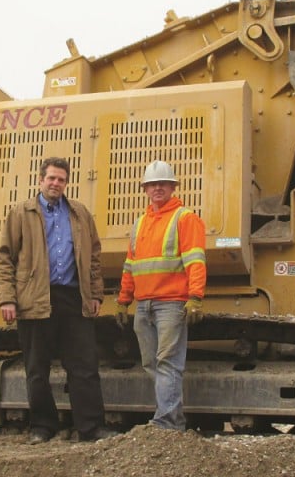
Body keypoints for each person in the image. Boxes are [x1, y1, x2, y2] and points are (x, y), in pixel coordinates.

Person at [0, 156, 117, 444]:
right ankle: (42, 427)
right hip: (35, 299)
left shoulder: (80, 214)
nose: (55, 183)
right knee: (37, 369)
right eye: (51, 178)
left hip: (73, 298)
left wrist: (96, 293)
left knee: (85, 367)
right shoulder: (20, 214)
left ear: (66, 182)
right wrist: (7, 299)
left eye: (61, 179)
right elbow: (4, 259)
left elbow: (94, 257)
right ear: (40, 180)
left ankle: (90, 428)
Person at [115, 160, 207, 431]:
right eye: (152, 184)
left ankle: (165, 423)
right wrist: (123, 300)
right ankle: (173, 420)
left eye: (162, 184)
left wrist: (195, 297)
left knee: (168, 363)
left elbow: (196, 260)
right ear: (145, 188)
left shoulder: (185, 218)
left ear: (172, 187)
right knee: (151, 363)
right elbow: (131, 264)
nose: (157, 188)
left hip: (171, 304)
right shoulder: (140, 223)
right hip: (144, 305)